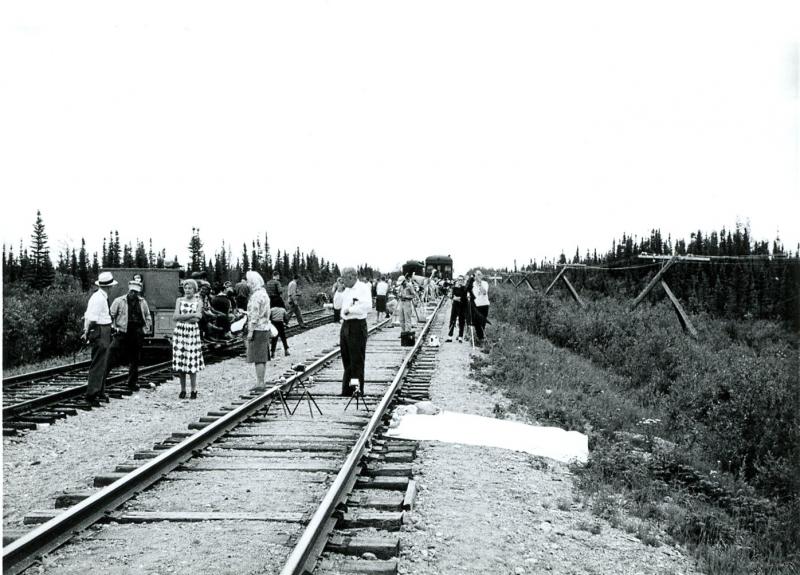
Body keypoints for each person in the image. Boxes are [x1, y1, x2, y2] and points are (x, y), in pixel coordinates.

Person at [109, 278, 152, 390]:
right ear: (129, 290)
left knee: (135, 359)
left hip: (137, 332)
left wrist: (145, 330)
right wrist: (113, 328)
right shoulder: (119, 301)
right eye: (132, 291)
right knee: (111, 356)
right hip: (122, 332)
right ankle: (101, 382)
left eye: (136, 292)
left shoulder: (142, 302)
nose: (133, 293)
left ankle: (132, 383)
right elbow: (111, 315)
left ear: (139, 292)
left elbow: (147, 316)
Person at [82, 271, 118, 404]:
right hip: (100, 330)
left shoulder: (101, 297)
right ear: (108, 286)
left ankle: (99, 391)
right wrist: (87, 332)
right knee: (98, 363)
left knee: (103, 362)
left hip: (104, 329)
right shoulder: (98, 298)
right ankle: (92, 394)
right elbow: (91, 318)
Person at [339, 267, 372, 396]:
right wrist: (338, 291)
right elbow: (337, 306)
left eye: (344, 279)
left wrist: (351, 310)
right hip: (346, 325)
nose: (342, 282)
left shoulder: (363, 288)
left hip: (357, 325)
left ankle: (357, 390)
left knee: (356, 360)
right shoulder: (346, 290)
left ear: (351, 277)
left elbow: (367, 306)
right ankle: (347, 390)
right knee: (346, 359)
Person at [172, 279, 204, 399]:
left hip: (192, 333)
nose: (187, 290)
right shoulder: (179, 300)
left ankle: (194, 389)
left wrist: (183, 317)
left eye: (190, 288)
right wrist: (192, 314)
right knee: (181, 361)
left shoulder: (198, 301)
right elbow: (175, 317)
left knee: (191, 362)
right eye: (185, 288)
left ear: (194, 289)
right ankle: (183, 389)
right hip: (180, 332)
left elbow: (197, 319)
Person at [245, 271, 271, 388]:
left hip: (257, 329)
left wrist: (250, 331)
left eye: (249, 282)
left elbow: (255, 315)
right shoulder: (264, 293)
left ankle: (260, 382)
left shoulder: (256, 296)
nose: (247, 284)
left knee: (258, 357)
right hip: (265, 327)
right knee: (262, 356)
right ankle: (261, 381)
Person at [446, 275, 468, 343]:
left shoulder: (464, 288)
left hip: (462, 306)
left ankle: (460, 337)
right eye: (459, 280)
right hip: (455, 306)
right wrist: (456, 298)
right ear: (457, 280)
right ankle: (450, 336)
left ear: (463, 281)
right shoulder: (454, 288)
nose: (460, 281)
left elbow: (464, 298)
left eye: (461, 280)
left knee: (461, 321)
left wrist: (457, 298)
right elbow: (452, 296)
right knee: (452, 320)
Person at [471, 270, 491, 343]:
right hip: (476, 305)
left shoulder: (485, 283)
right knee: (476, 322)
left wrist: (479, 283)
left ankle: (481, 338)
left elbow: (484, 292)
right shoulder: (472, 284)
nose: (478, 276)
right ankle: (480, 338)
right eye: (476, 275)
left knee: (483, 322)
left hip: (484, 304)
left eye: (479, 275)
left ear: (482, 276)